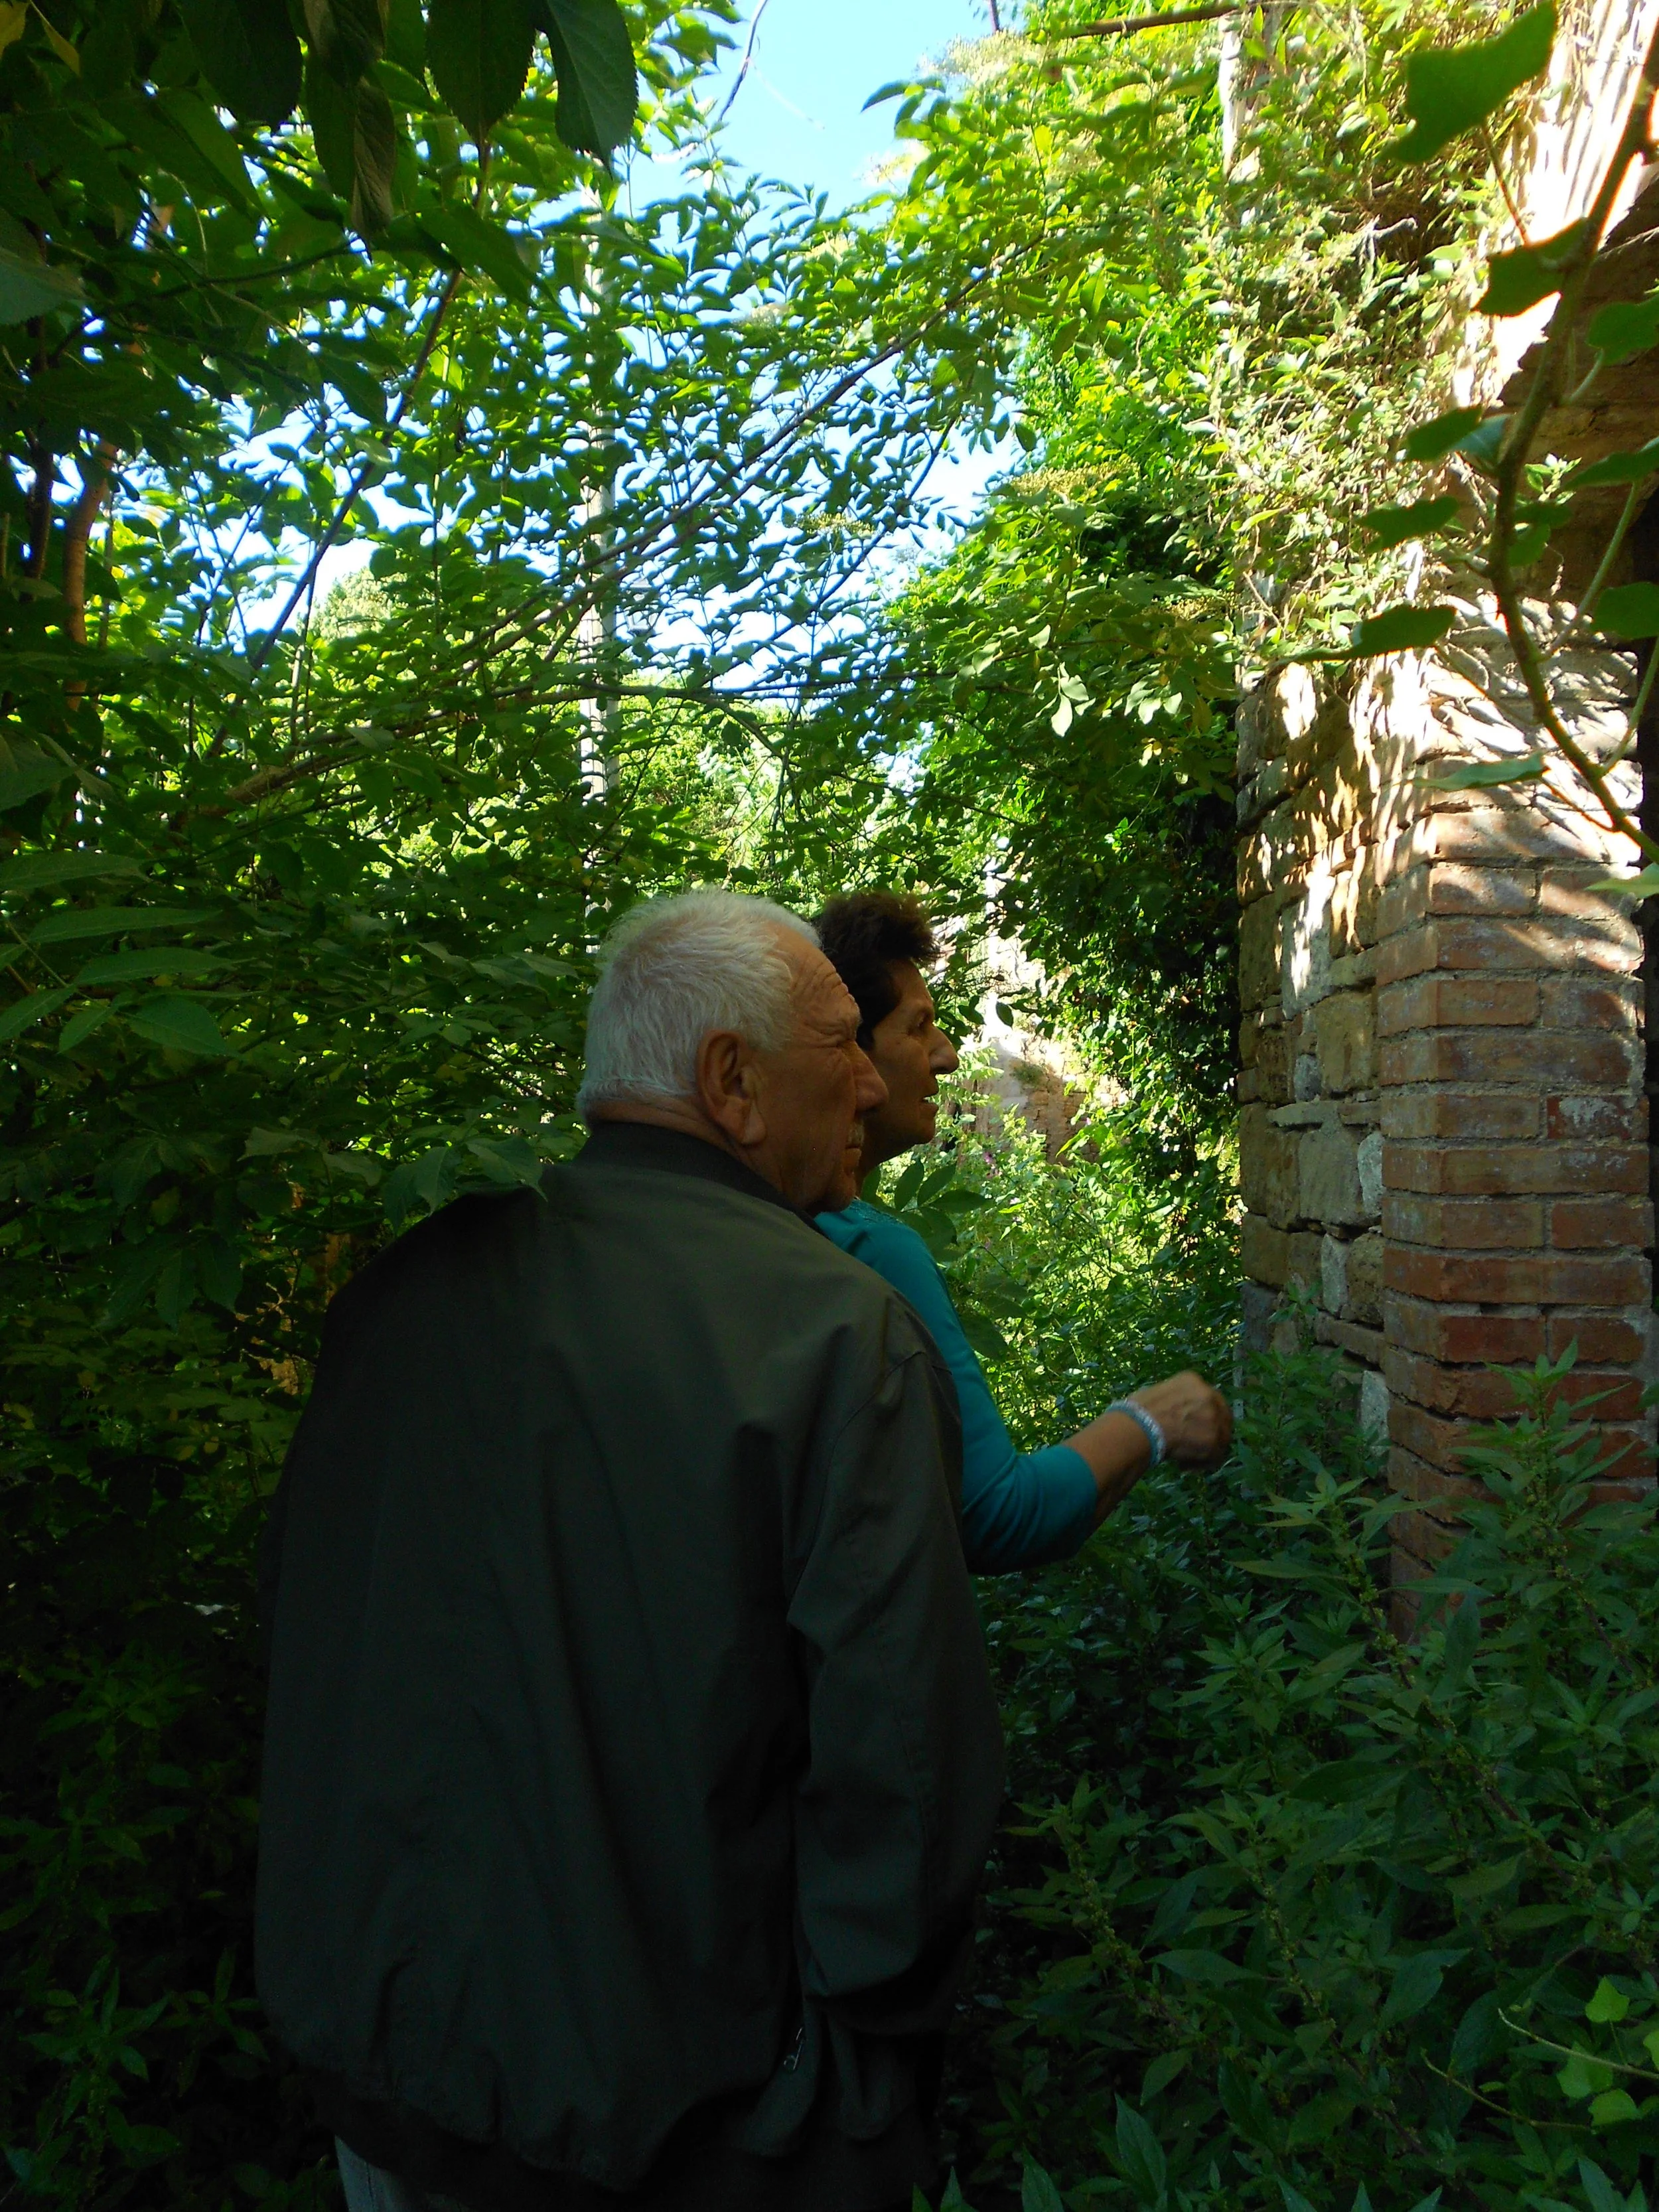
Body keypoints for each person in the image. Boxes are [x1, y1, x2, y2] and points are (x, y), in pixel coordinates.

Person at [255, 890, 1006, 2212]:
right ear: (729, 1078)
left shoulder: (398, 1296)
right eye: (838, 1042)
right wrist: (839, 2091)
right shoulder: (835, 1333)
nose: (867, 1078)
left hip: (386, 2097)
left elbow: (319, 1669)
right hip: (685, 2133)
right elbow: (902, 1775)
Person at [813, 892, 1232, 1574]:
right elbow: (994, 1516)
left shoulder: (750, 1217)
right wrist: (1152, 1420)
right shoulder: (869, 1247)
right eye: (919, 1029)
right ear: (850, 1054)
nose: (946, 1057)